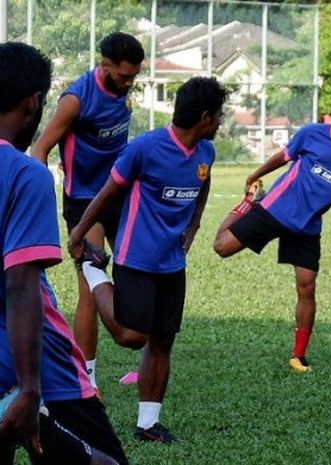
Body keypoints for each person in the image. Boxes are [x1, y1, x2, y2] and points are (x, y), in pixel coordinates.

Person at [68, 77, 226, 443]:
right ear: (204, 117)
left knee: (162, 341)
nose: (221, 122)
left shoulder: (206, 153)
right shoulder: (145, 149)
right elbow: (106, 194)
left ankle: (148, 424)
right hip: (135, 258)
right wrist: (78, 235)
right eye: (218, 115)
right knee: (130, 336)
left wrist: (195, 225)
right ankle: (94, 272)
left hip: (173, 264)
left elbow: (203, 187)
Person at [0, 42, 128, 465]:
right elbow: (21, 287)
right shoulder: (24, 174)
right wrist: (30, 390)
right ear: (34, 103)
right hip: (42, 372)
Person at [213, 91, 331, 373]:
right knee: (221, 248)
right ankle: (247, 204)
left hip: (307, 226)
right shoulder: (313, 134)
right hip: (274, 209)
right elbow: (283, 157)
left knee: (307, 286)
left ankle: (299, 355)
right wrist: (255, 176)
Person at [31, 32, 144, 391]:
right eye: (125, 76)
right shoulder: (76, 100)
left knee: (143, 273)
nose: (130, 82)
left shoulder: (124, 88)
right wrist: (40, 197)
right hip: (83, 202)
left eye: (134, 76)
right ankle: (87, 382)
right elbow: (40, 149)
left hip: (120, 194)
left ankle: (147, 365)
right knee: (91, 288)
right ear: (106, 65)